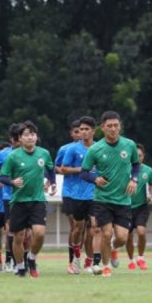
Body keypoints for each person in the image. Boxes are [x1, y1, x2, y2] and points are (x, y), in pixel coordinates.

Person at [80, 111, 139, 277]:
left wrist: (134, 180)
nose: (113, 129)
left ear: (120, 126)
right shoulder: (95, 149)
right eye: (109, 126)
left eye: (116, 125)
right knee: (106, 233)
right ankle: (106, 267)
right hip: (103, 199)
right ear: (102, 128)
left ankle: (113, 249)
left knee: (121, 237)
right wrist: (95, 179)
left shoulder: (129, 145)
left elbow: (136, 165)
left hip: (123, 199)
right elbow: (84, 173)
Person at [0, 121, 56, 278]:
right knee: (18, 237)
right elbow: (2, 176)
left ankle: (31, 258)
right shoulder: (13, 156)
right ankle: (20, 266)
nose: (30, 137)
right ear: (20, 138)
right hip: (18, 202)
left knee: (40, 233)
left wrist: (53, 183)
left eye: (32, 134)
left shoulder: (44, 153)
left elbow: (51, 169)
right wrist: (12, 182)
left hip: (38, 200)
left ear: (36, 137)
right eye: (26, 135)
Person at [60, 116, 98, 274]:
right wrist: (81, 170)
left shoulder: (99, 148)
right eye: (80, 129)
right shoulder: (72, 149)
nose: (83, 132)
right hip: (77, 195)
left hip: (96, 195)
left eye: (86, 129)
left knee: (94, 229)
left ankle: (91, 262)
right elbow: (63, 169)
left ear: (93, 131)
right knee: (77, 229)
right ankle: (76, 256)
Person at [55, 119, 84, 273]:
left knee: (85, 228)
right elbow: (57, 167)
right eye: (76, 131)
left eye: (82, 130)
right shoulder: (65, 149)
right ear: (72, 133)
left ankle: (83, 260)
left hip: (88, 192)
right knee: (74, 226)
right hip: (70, 192)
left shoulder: (93, 148)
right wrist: (73, 170)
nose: (80, 134)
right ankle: (71, 261)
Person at [0, 123, 21, 272]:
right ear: (11, 139)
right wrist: (7, 180)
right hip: (8, 196)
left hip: (27, 197)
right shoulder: (4, 154)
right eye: (16, 139)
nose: (18, 142)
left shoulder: (31, 153)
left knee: (26, 232)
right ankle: (10, 260)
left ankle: (23, 259)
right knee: (10, 230)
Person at [126, 143, 152, 271]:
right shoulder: (125, 168)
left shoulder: (148, 170)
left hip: (141, 206)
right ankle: (130, 259)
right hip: (125, 206)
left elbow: (151, 185)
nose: (138, 158)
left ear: (144, 156)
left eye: (140, 155)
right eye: (135, 156)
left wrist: (151, 193)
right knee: (128, 236)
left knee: (141, 232)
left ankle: (141, 258)